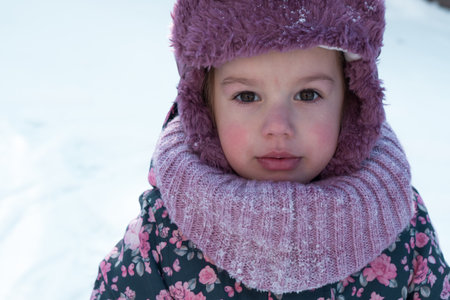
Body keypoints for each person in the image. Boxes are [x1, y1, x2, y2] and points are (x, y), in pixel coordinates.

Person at [91, 1, 450, 299]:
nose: (278, 125)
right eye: (247, 96)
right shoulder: (162, 237)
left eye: (308, 95)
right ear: (205, 107)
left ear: (352, 102)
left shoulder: (398, 222)